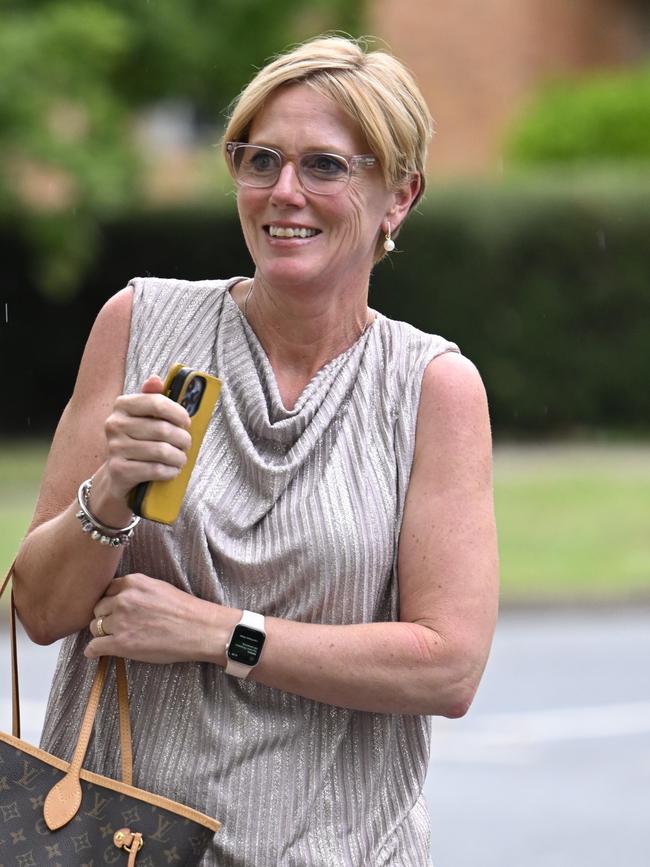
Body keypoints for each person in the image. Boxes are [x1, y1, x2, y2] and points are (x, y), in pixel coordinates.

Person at [13, 35, 499, 867]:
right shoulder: (140, 327)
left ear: (399, 196)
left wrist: (218, 632)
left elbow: (446, 668)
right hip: (119, 841)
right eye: (260, 158)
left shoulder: (430, 388)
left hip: (339, 848)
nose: (284, 192)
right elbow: (40, 610)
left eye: (325, 167)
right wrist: (109, 492)